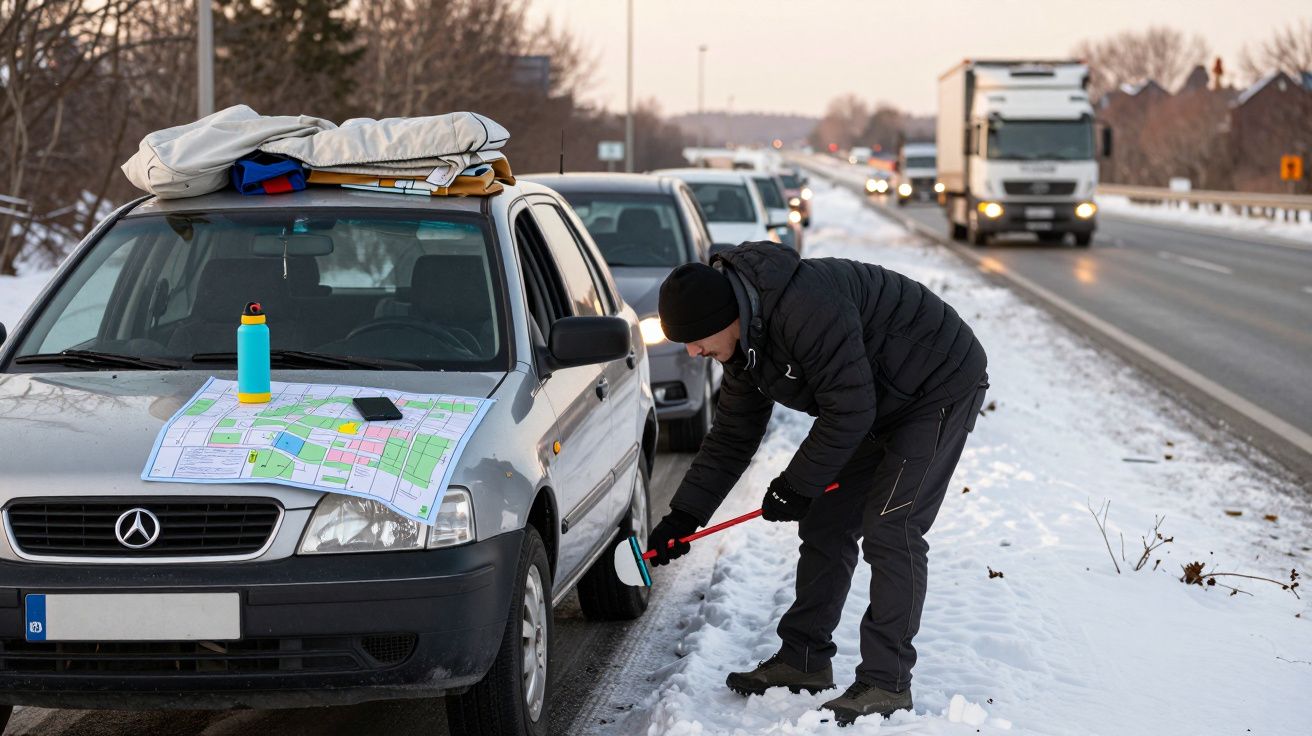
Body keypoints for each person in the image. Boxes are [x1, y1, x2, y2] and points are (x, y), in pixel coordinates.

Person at [648, 241, 988, 726]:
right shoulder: (746, 343)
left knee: (893, 526)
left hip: (937, 384)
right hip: (875, 397)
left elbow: (848, 410)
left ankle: (886, 682)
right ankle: (803, 659)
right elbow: (731, 438)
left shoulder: (805, 308)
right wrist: (683, 516)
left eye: (698, 337)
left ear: (728, 314)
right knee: (828, 521)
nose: (693, 351)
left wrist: (797, 483)